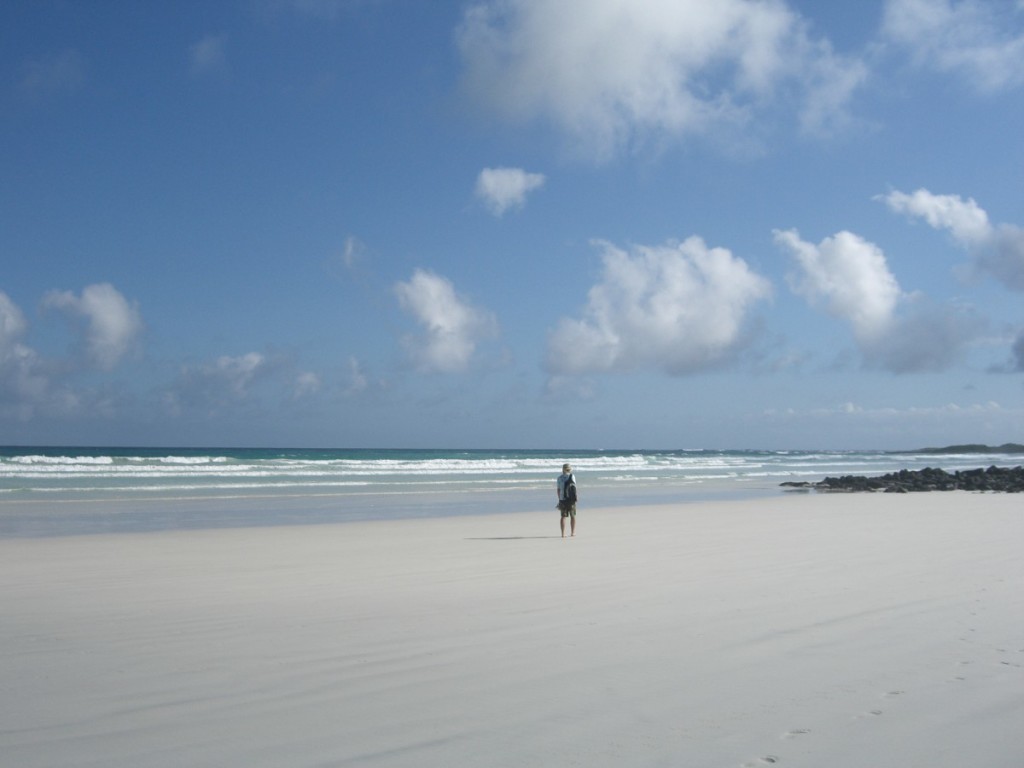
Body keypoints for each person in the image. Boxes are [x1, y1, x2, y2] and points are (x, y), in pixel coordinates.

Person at [556, 463, 577, 537]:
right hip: (571, 499)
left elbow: (558, 490)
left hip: (562, 499)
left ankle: (563, 534)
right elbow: (574, 487)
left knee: (563, 517)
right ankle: (573, 532)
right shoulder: (572, 476)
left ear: (563, 469)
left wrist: (560, 499)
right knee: (573, 516)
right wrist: (576, 497)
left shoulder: (559, 478)